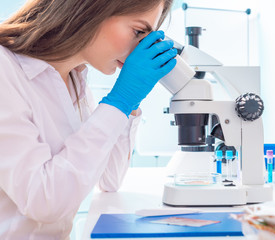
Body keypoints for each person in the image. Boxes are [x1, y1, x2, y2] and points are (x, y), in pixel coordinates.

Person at [0, 0, 176, 239]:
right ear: (93, 10)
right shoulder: (5, 69)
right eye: (138, 32)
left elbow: (109, 180)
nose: (139, 48)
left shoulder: (75, 80)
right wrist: (120, 100)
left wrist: (130, 102)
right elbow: (43, 201)